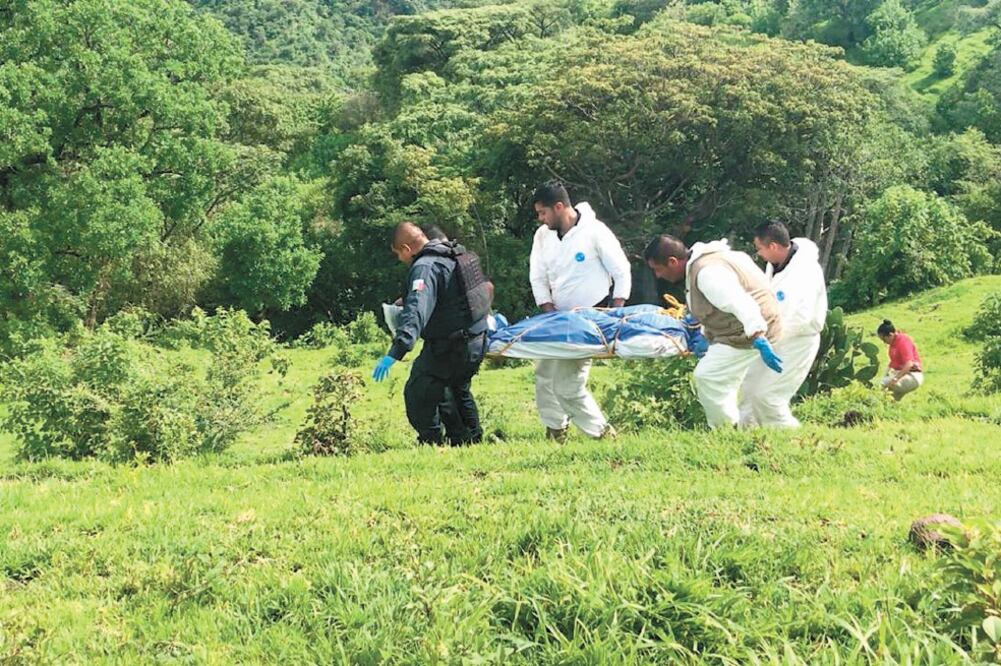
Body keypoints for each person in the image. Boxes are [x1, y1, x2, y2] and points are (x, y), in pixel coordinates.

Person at [644, 235, 783, 428]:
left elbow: (740, 302)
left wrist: (757, 335)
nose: (658, 276)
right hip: (753, 324)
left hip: (749, 330)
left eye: (658, 270)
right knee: (725, 379)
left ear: (672, 261)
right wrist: (706, 334)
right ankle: (741, 426)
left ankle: (726, 430)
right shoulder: (714, 258)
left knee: (708, 376)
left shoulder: (707, 273)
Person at [529, 181, 631, 441]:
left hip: (590, 319)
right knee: (544, 373)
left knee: (568, 385)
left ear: (560, 207)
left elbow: (621, 272)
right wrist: (548, 310)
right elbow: (538, 277)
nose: (541, 219)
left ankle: (601, 433)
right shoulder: (542, 235)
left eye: (543, 212)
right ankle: (555, 428)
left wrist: (614, 314)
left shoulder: (595, 232)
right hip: (555, 317)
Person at [372, 222, 490, 445]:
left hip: (451, 346)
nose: (400, 259)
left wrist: (396, 352)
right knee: (455, 391)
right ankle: (469, 440)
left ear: (406, 248)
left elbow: (416, 310)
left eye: (398, 253)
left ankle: (431, 441)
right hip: (477, 340)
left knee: (418, 392)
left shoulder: (425, 267)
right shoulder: (455, 253)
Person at [739, 222, 827, 428]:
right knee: (749, 390)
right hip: (771, 338)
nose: (758, 254)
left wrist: (769, 337)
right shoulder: (774, 266)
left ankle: (790, 442)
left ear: (773, 247)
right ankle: (746, 439)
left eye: (759, 248)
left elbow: (801, 317)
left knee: (769, 397)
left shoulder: (806, 271)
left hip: (797, 340)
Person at [877, 319, 923, 401]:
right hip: (903, 374)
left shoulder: (903, 341)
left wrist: (895, 379)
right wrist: (884, 376)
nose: (884, 342)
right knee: (890, 400)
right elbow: (892, 363)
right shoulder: (893, 344)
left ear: (890, 335)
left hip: (913, 376)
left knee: (881, 385)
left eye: (884, 340)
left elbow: (909, 364)